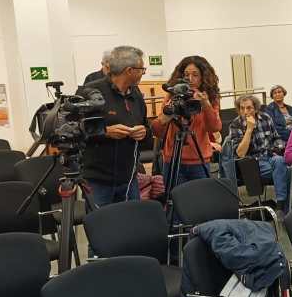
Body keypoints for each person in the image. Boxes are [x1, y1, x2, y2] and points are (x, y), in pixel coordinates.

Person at [81, 46, 150, 207]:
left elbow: (146, 129)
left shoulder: (136, 94)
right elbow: (75, 130)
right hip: (98, 181)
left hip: (129, 178)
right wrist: (105, 132)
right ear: (129, 71)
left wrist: (144, 132)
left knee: (132, 221)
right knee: (102, 222)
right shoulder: (91, 92)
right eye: (142, 69)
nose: (143, 73)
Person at [151, 56, 222, 186]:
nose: (190, 79)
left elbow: (215, 127)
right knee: (174, 197)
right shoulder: (172, 95)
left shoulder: (209, 97)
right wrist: (166, 116)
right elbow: (157, 131)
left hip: (199, 159)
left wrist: (205, 104)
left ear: (203, 77)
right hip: (173, 159)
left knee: (201, 196)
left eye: (195, 75)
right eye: (186, 75)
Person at [225, 94, 292, 214]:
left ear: (255, 109)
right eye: (242, 108)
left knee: (280, 161)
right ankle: (284, 209)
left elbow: (276, 138)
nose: (245, 112)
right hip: (251, 164)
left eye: (249, 108)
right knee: (286, 171)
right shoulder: (235, 125)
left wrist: (277, 149)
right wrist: (249, 129)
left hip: (270, 157)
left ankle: (280, 205)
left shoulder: (266, 118)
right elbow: (240, 153)